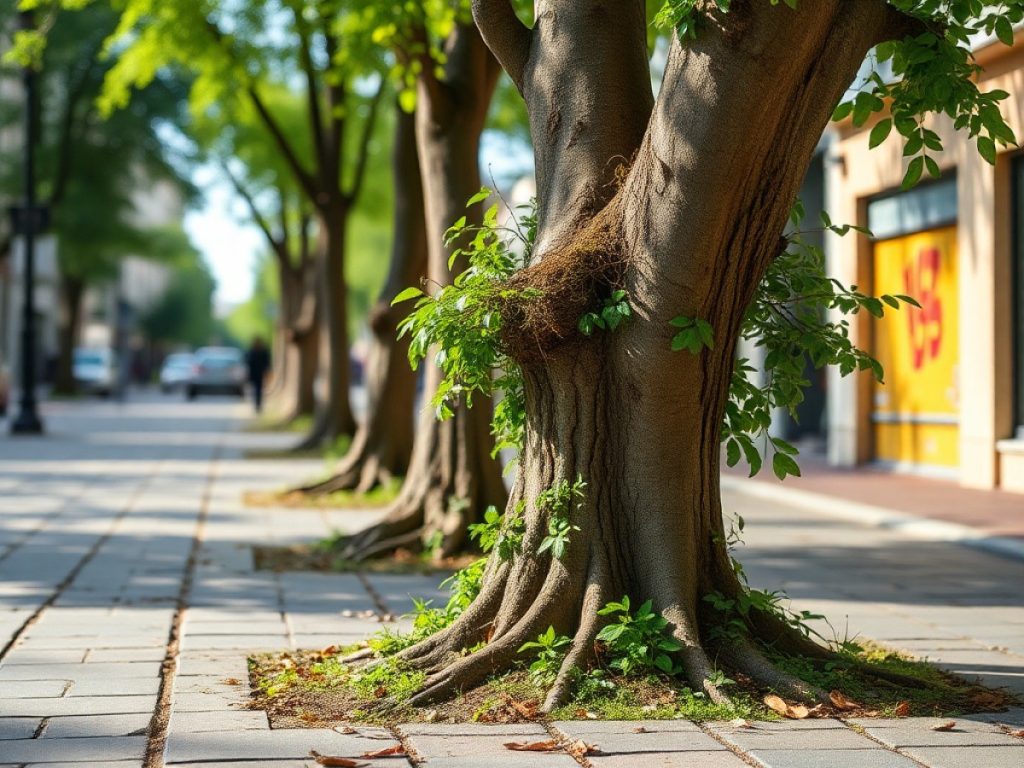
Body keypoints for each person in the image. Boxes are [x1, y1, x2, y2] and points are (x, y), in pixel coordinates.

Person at [246, 337, 271, 413]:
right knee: (256, 390)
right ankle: (257, 404)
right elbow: (249, 363)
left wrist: (267, 372)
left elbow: (267, 363)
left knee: (259, 390)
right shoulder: (252, 351)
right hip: (254, 374)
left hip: (260, 374)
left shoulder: (263, 352)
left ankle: (258, 404)